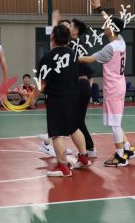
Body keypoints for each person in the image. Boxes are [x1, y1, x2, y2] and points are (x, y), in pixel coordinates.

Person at [79, 0, 135, 167]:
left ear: (111, 30)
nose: (104, 27)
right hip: (119, 85)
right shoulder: (121, 41)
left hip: (113, 88)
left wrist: (69, 55)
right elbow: (112, 22)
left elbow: (89, 59)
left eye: (106, 25)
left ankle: (120, 156)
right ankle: (128, 148)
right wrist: (100, 9)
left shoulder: (109, 48)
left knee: (114, 124)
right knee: (116, 121)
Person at [32, 24, 91, 177]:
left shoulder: (47, 58)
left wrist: (32, 99)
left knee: (57, 133)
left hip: (57, 99)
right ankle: (84, 158)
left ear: (52, 37)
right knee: (74, 128)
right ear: (68, 38)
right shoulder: (73, 54)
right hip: (74, 97)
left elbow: (41, 84)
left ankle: (63, 167)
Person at [37, 12, 97, 158]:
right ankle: (51, 142)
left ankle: (87, 149)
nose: (66, 28)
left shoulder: (73, 46)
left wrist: (54, 22)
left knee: (74, 122)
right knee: (72, 121)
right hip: (75, 85)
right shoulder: (73, 46)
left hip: (77, 86)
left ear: (74, 31)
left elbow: (55, 44)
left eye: (69, 26)